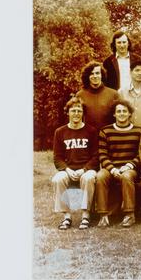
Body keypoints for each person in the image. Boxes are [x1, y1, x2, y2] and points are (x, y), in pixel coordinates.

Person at [51, 96, 98, 231]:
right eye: (73, 111)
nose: (76, 114)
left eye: (79, 110)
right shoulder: (60, 132)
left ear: (83, 113)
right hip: (69, 170)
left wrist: (84, 169)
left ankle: (85, 215)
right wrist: (67, 170)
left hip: (86, 169)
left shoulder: (91, 131)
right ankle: (67, 216)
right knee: (57, 179)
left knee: (88, 178)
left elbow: (96, 156)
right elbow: (57, 158)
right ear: (68, 112)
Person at [95, 100, 141, 228]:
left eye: (124, 111)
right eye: (119, 111)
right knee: (100, 176)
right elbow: (102, 155)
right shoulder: (105, 131)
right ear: (114, 114)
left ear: (129, 114)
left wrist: (129, 166)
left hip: (130, 168)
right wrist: (112, 170)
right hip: (111, 167)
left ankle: (129, 214)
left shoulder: (139, 131)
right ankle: (103, 215)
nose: (122, 114)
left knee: (126, 176)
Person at [75, 61, 119, 130]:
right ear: (87, 76)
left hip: (108, 135)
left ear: (102, 75)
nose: (95, 76)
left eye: (97, 73)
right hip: (88, 135)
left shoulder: (114, 94)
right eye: (92, 74)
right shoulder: (80, 95)